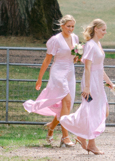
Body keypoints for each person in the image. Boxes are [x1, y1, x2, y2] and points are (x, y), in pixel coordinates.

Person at [60, 18, 115, 155]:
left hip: (97, 81)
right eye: (103, 30)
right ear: (96, 29)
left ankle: (82, 136)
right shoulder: (90, 45)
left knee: (103, 110)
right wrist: (87, 87)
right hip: (90, 83)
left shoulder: (98, 44)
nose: (105, 32)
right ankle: (91, 143)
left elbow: (100, 68)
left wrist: (109, 82)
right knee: (93, 111)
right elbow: (88, 68)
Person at [24, 15, 79, 147]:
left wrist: (77, 57)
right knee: (66, 101)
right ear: (62, 26)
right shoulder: (55, 40)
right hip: (58, 73)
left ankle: (51, 128)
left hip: (70, 72)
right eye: (68, 26)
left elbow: (74, 57)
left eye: (72, 26)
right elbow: (47, 60)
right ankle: (65, 137)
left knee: (67, 105)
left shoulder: (75, 38)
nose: (70, 29)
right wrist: (39, 78)